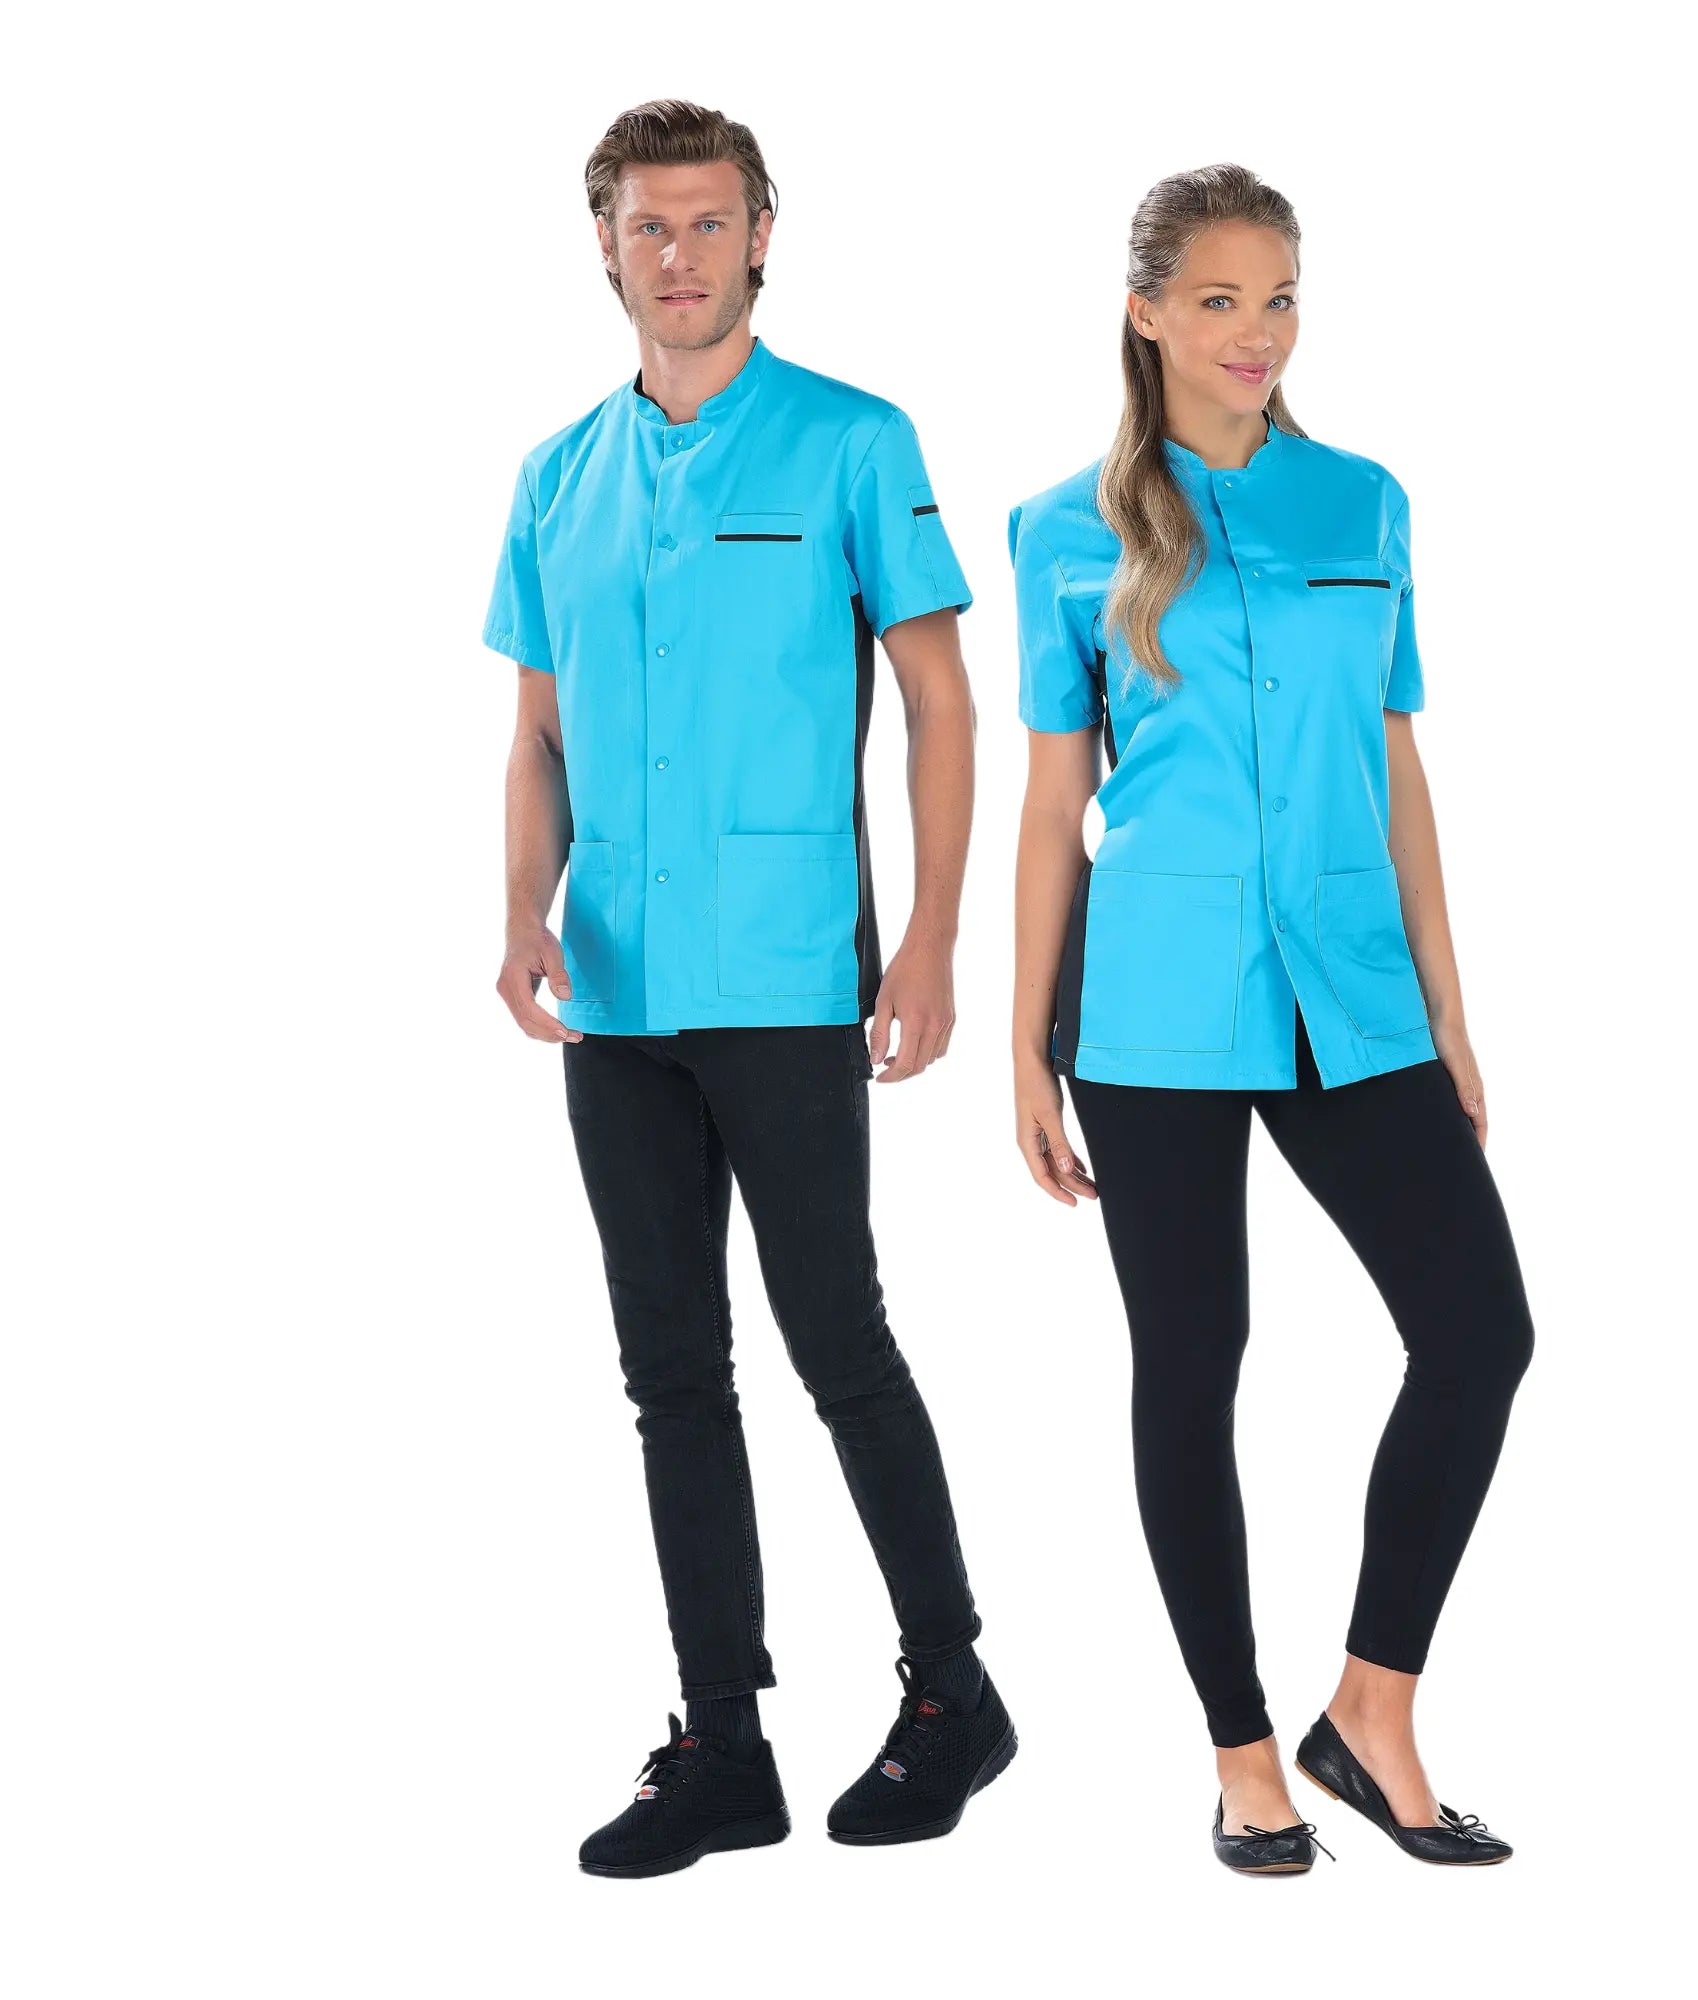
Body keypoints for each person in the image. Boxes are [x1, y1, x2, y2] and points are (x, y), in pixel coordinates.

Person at [483, 98, 1013, 1878]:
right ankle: (724, 1744)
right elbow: (536, 734)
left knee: (836, 1339)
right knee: (668, 1373)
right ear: (606, 246)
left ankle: (952, 1691)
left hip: (789, 977)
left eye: (711, 223)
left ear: (763, 235)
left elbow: (940, 701)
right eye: (649, 226)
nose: (681, 256)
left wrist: (930, 938)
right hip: (619, 997)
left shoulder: (855, 442)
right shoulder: (556, 475)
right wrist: (521, 908)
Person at [1009, 164, 1533, 1875]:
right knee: (1192, 1367)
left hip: (1351, 989)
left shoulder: (1365, 504)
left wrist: (1449, 1008)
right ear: (1147, 310)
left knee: (1480, 1333)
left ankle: (1369, 1708)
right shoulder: (1061, 530)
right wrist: (1024, 1046)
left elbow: (1396, 760)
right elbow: (1054, 804)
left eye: (1282, 296)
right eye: (1222, 299)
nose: (1258, 332)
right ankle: (1244, 1755)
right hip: (1152, 1002)